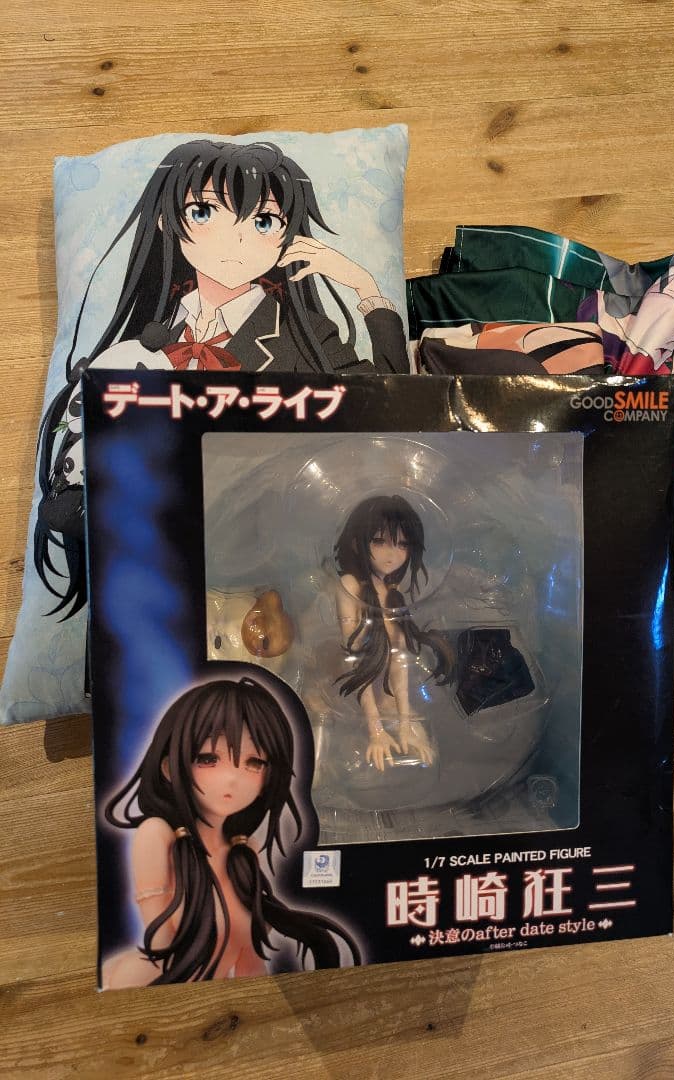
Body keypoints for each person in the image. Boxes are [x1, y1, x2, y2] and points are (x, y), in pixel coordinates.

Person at [36, 138, 408, 617]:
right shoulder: (144, 339)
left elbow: (393, 411)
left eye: (263, 221)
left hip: (257, 565)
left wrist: (366, 288)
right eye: (205, 212)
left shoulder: (304, 336)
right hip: (146, 565)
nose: (236, 240)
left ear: (288, 237)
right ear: (168, 222)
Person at [103, 675, 359, 986]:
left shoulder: (243, 853)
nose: (233, 778)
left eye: (254, 762)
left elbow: (250, 962)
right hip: (147, 987)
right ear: (170, 767)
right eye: (208, 758)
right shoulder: (157, 834)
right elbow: (161, 947)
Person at [333, 494, 454, 772]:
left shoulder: (393, 592)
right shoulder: (349, 585)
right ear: (357, 542)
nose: (392, 554)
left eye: (402, 544)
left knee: (421, 748)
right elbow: (356, 661)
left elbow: (399, 660)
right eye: (379, 541)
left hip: (381, 687)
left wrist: (405, 722)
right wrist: (375, 731)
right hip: (352, 686)